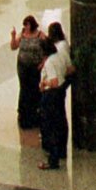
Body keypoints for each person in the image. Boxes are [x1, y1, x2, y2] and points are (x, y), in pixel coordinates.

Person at [38, 22, 73, 170]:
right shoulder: (61, 55)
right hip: (60, 93)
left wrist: (43, 83)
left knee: (50, 126)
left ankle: (53, 159)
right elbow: (71, 69)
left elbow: (53, 81)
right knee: (61, 122)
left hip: (51, 95)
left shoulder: (50, 62)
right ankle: (62, 151)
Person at [10, 15, 46, 130]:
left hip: (35, 67)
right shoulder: (23, 34)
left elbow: (48, 49)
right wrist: (13, 36)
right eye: (24, 25)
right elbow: (14, 47)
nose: (25, 27)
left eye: (27, 25)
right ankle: (23, 113)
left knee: (34, 89)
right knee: (24, 88)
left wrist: (43, 62)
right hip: (23, 66)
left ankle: (35, 113)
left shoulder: (40, 35)